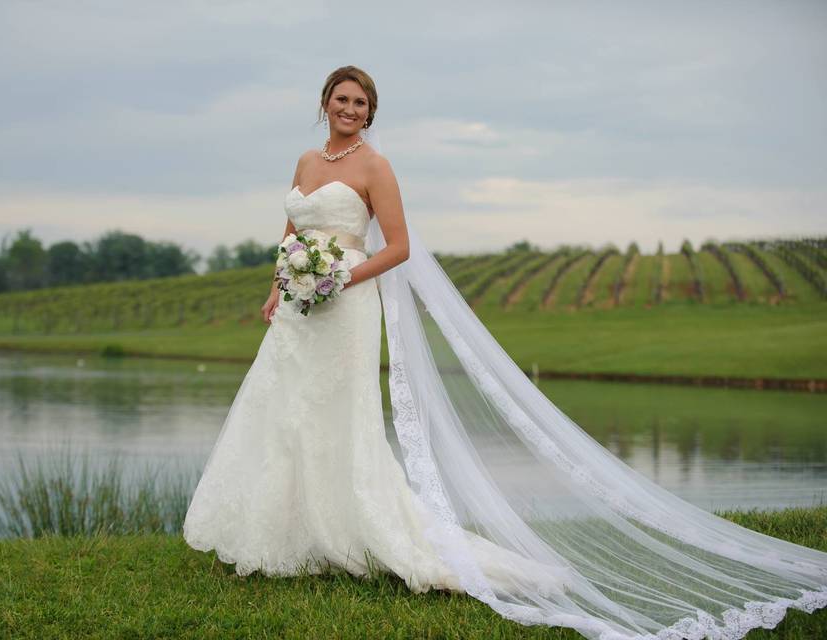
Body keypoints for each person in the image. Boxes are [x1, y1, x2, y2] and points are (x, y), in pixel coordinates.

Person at [184, 66, 827, 640]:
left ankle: (355, 530)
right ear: (323, 102)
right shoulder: (304, 161)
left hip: (348, 301)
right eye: (341, 99)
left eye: (361, 103)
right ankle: (286, 534)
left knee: (336, 416)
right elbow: (292, 231)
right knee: (284, 410)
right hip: (300, 305)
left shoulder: (375, 167)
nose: (349, 109)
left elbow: (399, 247)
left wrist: (340, 276)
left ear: (370, 114)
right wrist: (280, 284)